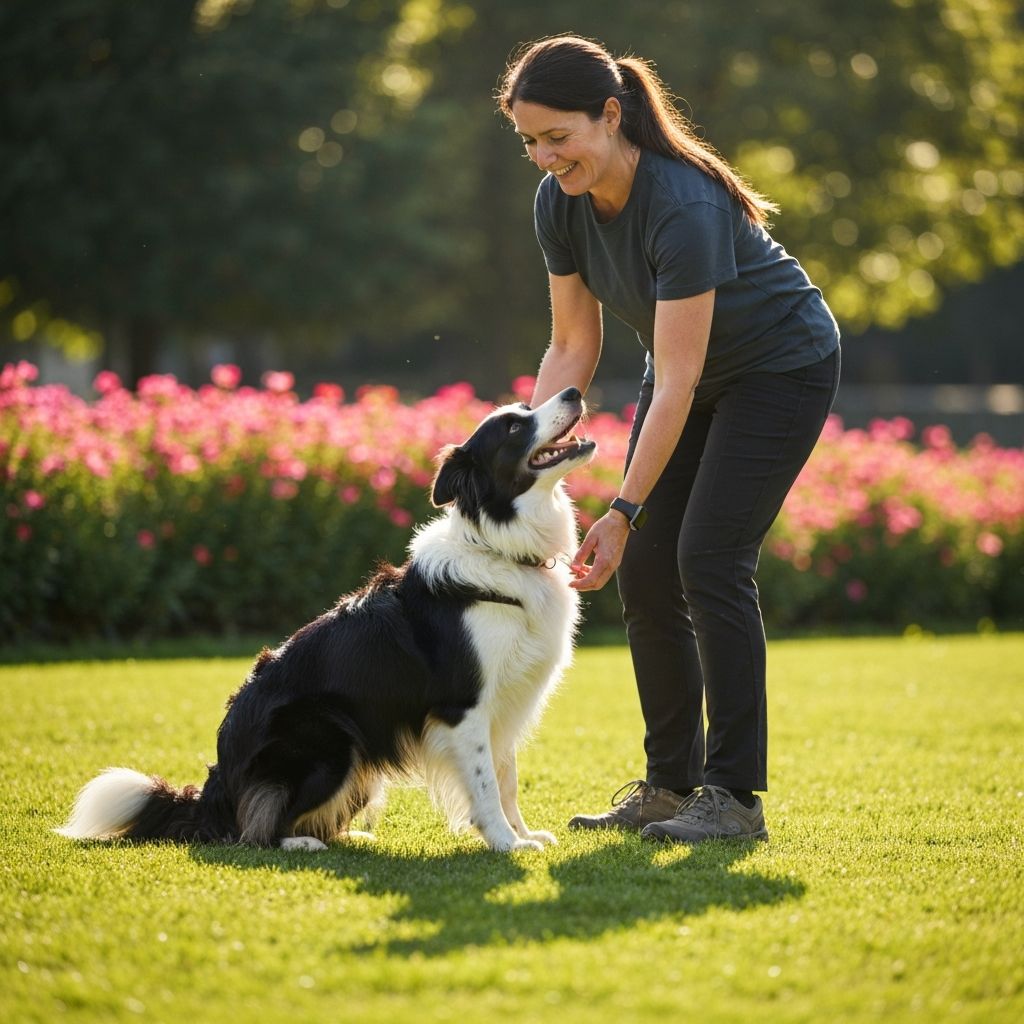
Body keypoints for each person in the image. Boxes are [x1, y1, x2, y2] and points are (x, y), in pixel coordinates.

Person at [498, 35, 841, 843]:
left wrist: (622, 509)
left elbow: (680, 382)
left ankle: (734, 798)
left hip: (779, 368)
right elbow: (571, 346)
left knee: (710, 559)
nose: (545, 157)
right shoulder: (559, 202)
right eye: (530, 142)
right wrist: (517, 460)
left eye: (558, 136)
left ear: (610, 115)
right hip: (687, 371)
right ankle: (668, 787)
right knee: (649, 573)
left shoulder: (683, 203)